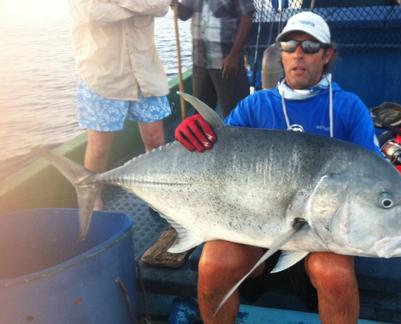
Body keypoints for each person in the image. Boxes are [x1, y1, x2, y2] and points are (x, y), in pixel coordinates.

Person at [175, 11, 380, 324]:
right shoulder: (254, 106)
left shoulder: (349, 107)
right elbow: (216, 160)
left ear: (327, 55)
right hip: (255, 225)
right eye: (290, 45)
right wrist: (194, 138)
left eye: (311, 47)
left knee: (334, 273)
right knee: (212, 264)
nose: (299, 54)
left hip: (322, 232)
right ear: (280, 53)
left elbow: (372, 178)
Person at [69, 0, 173, 209]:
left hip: (146, 73)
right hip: (103, 76)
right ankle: (93, 200)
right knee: (99, 146)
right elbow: (91, 13)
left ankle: (158, 195)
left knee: (156, 139)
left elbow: (161, 5)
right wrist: (139, 5)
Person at [172, 0, 254, 118]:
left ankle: (236, 136)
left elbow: (246, 19)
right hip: (200, 61)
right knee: (201, 112)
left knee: (235, 112)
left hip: (226, 61)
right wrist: (172, 3)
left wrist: (234, 56)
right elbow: (184, 15)